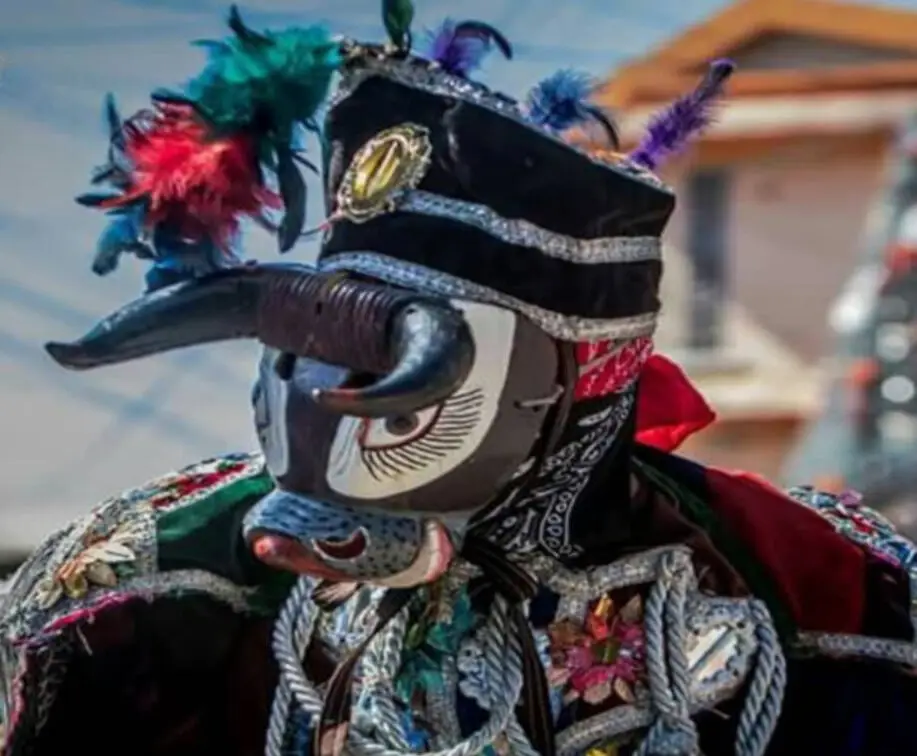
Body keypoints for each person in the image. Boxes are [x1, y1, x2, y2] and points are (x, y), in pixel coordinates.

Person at [2, 6, 917, 756]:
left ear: (569, 387)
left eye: (387, 374)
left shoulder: (818, 588)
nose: (323, 405)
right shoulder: (155, 586)